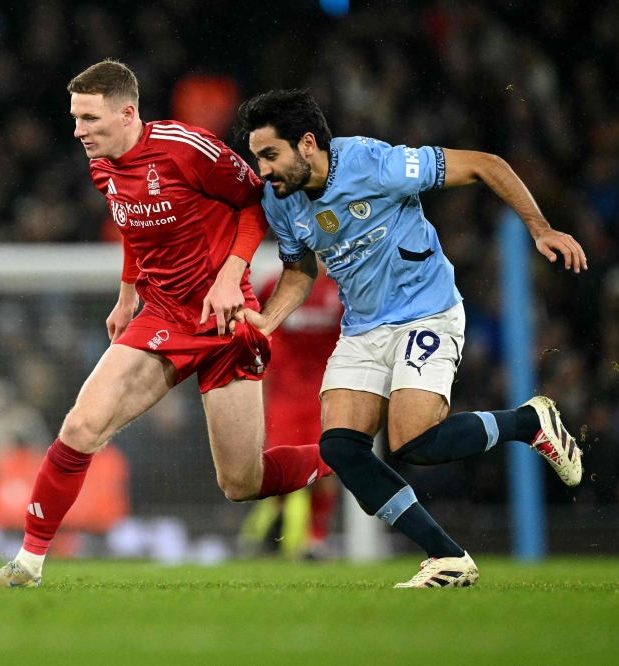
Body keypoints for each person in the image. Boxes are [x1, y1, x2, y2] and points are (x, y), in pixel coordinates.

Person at [0, 61, 331, 589]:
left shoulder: (188, 148)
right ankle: (26, 564)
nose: (78, 130)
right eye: (75, 118)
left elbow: (254, 203)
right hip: (162, 315)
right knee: (79, 427)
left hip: (225, 318)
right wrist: (125, 297)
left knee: (241, 481)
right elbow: (136, 233)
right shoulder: (102, 167)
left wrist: (232, 276)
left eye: (89, 118)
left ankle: (343, 455)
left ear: (127, 112)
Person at [234, 89, 587, 587]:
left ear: (307, 144)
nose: (263, 170)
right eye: (257, 158)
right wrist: (266, 321)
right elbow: (299, 271)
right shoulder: (279, 200)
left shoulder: (374, 163)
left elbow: (485, 165)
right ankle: (448, 558)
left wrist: (540, 229)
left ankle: (528, 422)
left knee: (415, 443)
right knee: (340, 448)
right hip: (363, 327)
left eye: (270, 155)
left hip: (427, 312)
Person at [240, 265, 342, 558]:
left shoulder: (342, 290)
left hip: (324, 394)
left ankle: (315, 541)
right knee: (279, 470)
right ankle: (269, 536)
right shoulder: (274, 285)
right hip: (283, 396)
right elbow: (257, 335)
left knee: (326, 469)